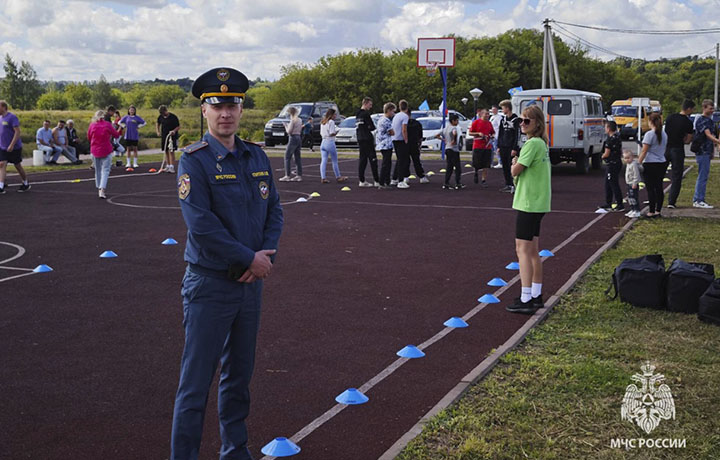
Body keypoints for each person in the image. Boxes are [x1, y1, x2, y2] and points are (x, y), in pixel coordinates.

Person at [171, 67, 283, 460]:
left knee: (239, 379)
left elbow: (275, 212)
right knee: (196, 384)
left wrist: (265, 256)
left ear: (241, 108)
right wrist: (248, 257)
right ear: (204, 110)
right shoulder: (194, 161)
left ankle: (235, 452)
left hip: (250, 285)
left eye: (233, 104)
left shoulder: (256, 155)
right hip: (210, 286)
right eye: (217, 105)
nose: (226, 113)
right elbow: (201, 227)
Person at [505, 105, 551, 314]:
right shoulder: (541, 144)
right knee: (533, 250)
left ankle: (526, 297)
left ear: (537, 123)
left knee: (522, 250)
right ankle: (536, 294)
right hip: (538, 202)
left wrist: (514, 163)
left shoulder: (532, 144)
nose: (522, 124)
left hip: (529, 202)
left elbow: (516, 170)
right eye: (521, 121)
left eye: (526, 121)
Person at [663, 99, 694, 209]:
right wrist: (684, 140)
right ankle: (671, 201)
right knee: (676, 176)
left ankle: (657, 199)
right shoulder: (688, 122)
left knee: (660, 173)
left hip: (667, 148)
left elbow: (665, 133)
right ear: (689, 109)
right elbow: (688, 139)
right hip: (678, 149)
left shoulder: (670, 117)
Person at [638, 112, 668, 218]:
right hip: (661, 162)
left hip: (650, 162)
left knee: (650, 188)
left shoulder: (649, 134)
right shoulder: (664, 134)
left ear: (650, 122)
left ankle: (651, 210)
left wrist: (638, 163)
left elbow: (644, 151)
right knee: (659, 187)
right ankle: (658, 210)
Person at [87, 110, 122, 199]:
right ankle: (102, 189)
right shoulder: (107, 125)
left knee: (98, 170)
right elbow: (116, 135)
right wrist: (121, 128)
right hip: (106, 149)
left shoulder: (92, 125)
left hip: (95, 150)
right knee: (105, 170)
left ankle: (99, 187)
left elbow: (89, 137)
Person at [691, 99, 718, 209]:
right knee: (702, 176)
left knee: (704, 175)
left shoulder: (710, 120)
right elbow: (708, 135)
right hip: (702, 151)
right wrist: (718, 141)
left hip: (707, 151)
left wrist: (712, 150)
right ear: (704, 108)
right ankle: (698, 199)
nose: (712, 111)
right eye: (710, 108)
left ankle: (700, 198)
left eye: (713, 108)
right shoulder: (702, 120)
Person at [0, 100, 30, 193]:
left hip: (14, 147)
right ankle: (1, 186)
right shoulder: (0, 118)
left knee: (17, 166)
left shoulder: (12, 117)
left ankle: (25, 183)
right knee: (2, 165)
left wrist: (12, 145)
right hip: (3, 147)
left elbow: (17, 132)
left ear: (4, 107)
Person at [598, 121, 624, 212]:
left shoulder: (609, 140)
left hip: (612, 163)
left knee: (613, 184)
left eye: (605, 127)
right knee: (609, 183)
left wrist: (602, 156)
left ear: (608, 129)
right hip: (617, 162)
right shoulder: (617, 137)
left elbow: (606, 153)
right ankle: (608, 202)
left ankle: (619, 204)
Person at [497, 99, 521, 192]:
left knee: (512, 165)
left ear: (507, 108)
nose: (502, 110)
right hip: (503, 146)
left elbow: (517, 135)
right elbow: (500, 133)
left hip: (511, 147)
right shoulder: (503, 120)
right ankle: (508, 184)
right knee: (505, 166)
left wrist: (515, 148)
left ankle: (514, 184)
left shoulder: (516, 120)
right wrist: (499, 145)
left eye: (503, 108)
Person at [319, 108, 347, 183]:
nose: (335, 116)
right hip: (330, 142)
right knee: (334, 161)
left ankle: (323, 177)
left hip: (323, 142)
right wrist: (336, 132)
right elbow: (331, 133)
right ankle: (338, 176)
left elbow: (322, 133)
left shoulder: (323, 122)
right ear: (331, 115)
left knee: (324, 160)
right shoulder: (331, 122)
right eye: (334, 114)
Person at [356, 97, 379, 187]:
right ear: (365, 103)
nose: (371, 106)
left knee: (362, 160)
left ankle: (361, 180)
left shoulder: (358, 113)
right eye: (370, 104)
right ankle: (376, 180)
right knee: (373, 159)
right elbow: (372, 127)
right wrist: (370, 127)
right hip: (367, 138)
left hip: (360, 138)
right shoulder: (366, 114)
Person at [468, 107, 494, 187]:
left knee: (486, 164)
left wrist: (492, 136)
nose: (487, 115)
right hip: (478, 145)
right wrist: (478, 133)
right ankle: (476, 172)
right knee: (476, 163)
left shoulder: (489, 123)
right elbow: (470, 133)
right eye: (486, 114)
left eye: (488, 114)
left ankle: (483, 180)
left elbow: (492, 132)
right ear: (482, 114)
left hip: (487, 146)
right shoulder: (476, 122)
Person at [279, 106, 303, 182]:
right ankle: (299, 175)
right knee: (297, 157)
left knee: (287, 157)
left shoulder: (293, 120)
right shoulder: (300, 120)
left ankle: (287, 175)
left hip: (293, 138)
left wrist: (286, 126)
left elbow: (289, 131)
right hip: (298, 137)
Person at [439, 113, 463, 189]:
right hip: (453, 150)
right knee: (457, 168)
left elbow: (437, 135)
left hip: (447, 148)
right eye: (457, 120)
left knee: (449, 167)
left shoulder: (445, 128)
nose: (458, 122)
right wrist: (454, 140)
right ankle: (457, 183)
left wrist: (443, 140)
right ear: (453, 121)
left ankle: (446, 183)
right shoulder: (454, 128)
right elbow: (454, 134)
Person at [391, 99, 411, 189]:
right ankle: (400, 180)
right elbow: (404, 129)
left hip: (394, 139)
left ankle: (394, 178)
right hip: (400, 140)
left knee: (399, 160)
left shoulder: (396, 116)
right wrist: (406, 139)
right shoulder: (405, 116)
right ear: (407, 107)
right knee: (402, 160)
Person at [406, 106, 429, 184]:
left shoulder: (405, 124)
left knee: (409, 161)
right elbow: (420, 136)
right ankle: (421, 176)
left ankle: (406, 176)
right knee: (416, 161)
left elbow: (420, 136)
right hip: (414, 144)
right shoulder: (416, 123)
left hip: (407, 144)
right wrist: (419, 144)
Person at [376, 102, 396, 188]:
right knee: (386, 163)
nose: (393, 113)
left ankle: (386, 181)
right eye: (392, 111)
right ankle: (382, 182)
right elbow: (392, 132)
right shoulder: (386, 121)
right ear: (388, 110)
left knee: (387, 163)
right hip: (386, 144)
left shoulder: (381, 119)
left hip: (382, 143)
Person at [157, 105, 180, 173]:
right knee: (166, 150)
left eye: (163, 112)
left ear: (166, 111)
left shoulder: (173, 117)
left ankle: (172, 166)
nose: (163, 114)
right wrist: (158, 131)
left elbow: (178, 126)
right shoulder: (160, 117)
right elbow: (158, 123)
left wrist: (174, 131)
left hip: (172, 136)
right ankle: (168, 165)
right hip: (164, 135)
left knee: (171, 150)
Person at [623, 149, 642, 218]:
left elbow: (636, 174)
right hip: (629, 183)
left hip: (633, 184)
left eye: (628, 158)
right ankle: (632, 209)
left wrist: (635, 183)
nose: (627, 160)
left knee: (634, 197)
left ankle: (637, 210)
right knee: (630, 197)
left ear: (632, 157)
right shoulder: (628, 164)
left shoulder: (634, 164)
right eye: (625, 158)